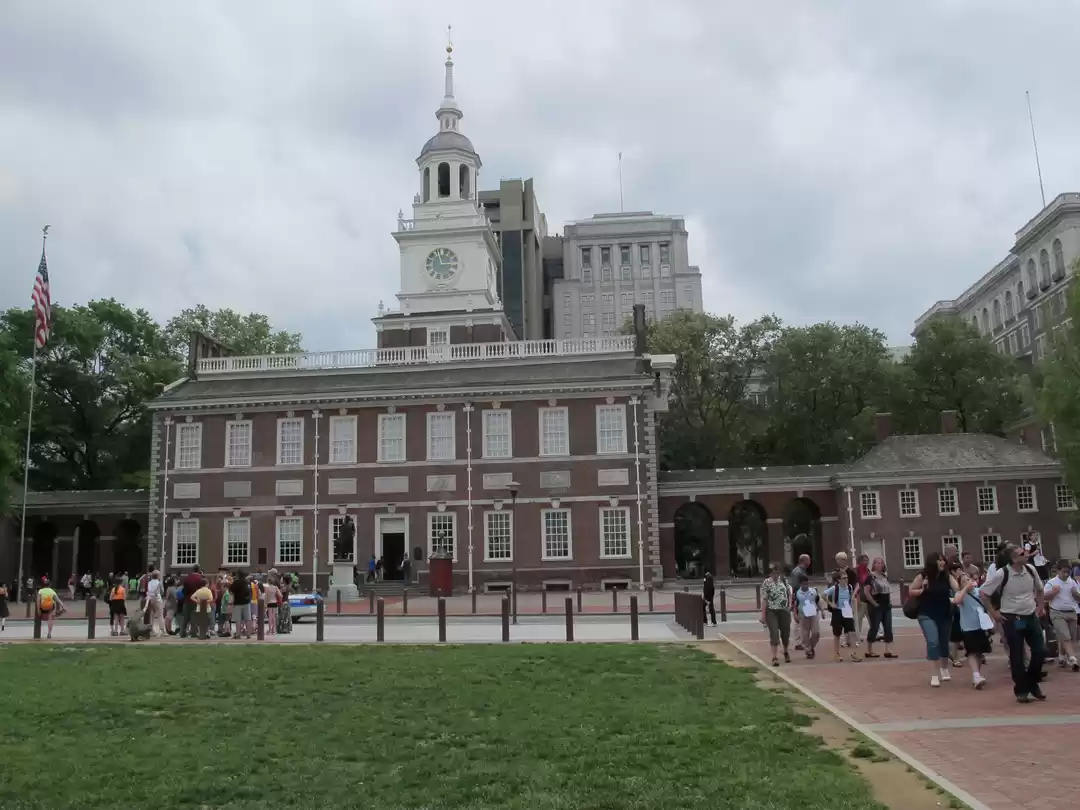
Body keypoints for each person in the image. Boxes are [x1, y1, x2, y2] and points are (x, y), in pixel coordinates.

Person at [979, 545, 1046, 703]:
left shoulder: (1030, 569)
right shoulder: (1003, 573)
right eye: (1022, 553)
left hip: (1030, 615)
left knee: (1040, 651)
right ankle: (1021, 690)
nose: (1026, 554)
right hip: (1012, 617)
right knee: (1017, 654)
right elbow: (983, 592)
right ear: (1014, 559)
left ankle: (1031, 682)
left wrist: (1041, 606)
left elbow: (1040, 589)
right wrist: (994, 613)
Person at [908, 551, 959, 688]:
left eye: (943, 560)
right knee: (932, 641)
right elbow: (911, 590)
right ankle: (935, 674)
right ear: (932, 562)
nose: (943, 563)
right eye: (939, 560)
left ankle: (944, 668)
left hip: (944, 614)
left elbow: (957, 589)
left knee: (944, 643)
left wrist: (964, 585)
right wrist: (922, 590)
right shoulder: (923, 576)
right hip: (926, 613)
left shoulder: (947, 576)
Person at [952, 571, 992, 689]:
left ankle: (977, 676)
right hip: (968, 628)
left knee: (979, 652)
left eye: (967, 579)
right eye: (963, 581)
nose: (966, 582)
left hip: (981, 626)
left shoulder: (979, 592)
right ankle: (976, 675)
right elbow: (957, 601)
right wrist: (964, 589)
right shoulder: (960, 594)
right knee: (972, 651)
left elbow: (987, 604)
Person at [1043, 559, 1079, 672]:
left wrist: (1075, 594)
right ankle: (1073, 659)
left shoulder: (1072, 582)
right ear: (1058, 571)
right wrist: (1053, 592)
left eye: (1068, 572)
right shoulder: (1052, 583)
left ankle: (1062, 657)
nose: (1066, 574)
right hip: (1057, 612)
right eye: (1064, 571)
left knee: (1069, 637)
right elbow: (1044, 597)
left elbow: (1078, 598)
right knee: (1066, 636)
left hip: (1072, 611)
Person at [759, 563, 793, 666]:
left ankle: (786, 651)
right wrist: (763, 615)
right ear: (770, 573)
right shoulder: (766, 583)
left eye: (778, 572)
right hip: (772, 611)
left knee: (785, 633)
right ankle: (774, 657)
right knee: (774, 633)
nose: (776, 574)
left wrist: (790, 605)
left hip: (784, 610)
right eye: (774, 572)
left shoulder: (783, 580)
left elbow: (789, 592)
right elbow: (764, 599)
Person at [824, 569, 861, 662]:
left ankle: (853, 653)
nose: (846, 579)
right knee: (837, 634)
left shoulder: (849, 587)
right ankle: (837, 654)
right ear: (838, 580)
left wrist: (851, 607)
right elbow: (823, 595)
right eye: (844, 578)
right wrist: (831, 604)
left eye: (847, 578)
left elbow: (851, 598)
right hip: (838, 612)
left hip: (847, 612)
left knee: (852, 633)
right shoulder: (835, 588)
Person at [862, 557, 896, 659]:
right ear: (874, 565)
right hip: (876, 604)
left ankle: (888, 650)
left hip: (886, 605)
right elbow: (866, 592)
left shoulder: (884, 576)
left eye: (881, 563)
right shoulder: (871, 577)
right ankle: (869, 650)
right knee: (875, 627)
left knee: (888, 627)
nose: (880, 565)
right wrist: (874, 603)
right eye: (877, 563)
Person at [793, 574, 821, 659]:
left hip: (813, 614)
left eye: (806, 583)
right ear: (800, 584)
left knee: (816, 633)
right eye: (803, 584)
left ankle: (811, 646)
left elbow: (818, 601)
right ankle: (808, 650)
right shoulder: (797, 593)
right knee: (805, 634)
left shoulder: (813, 591)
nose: (805, 585)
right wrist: (795, 615)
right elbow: (794, 605)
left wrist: (822, 611)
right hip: (803, 615)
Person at [789, 554, 810, 650]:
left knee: (802, 620)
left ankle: (801, 640)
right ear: (804, 561)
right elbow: (795, 588)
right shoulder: (798, 572)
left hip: (802, 597)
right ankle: (798, 642)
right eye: (808, 560)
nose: (810, 562)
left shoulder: (800, 571)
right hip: (799, 598)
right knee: (798, 620)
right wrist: (794, 602)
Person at [230, 570, 252, 639]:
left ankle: (238, 634)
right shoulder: (247, 582)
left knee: (238, 619)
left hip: (238, 603)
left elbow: (231, 590)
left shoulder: (236, 582)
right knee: (248, 619)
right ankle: (248, 634)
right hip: (246, 602)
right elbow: (250, 591)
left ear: (238, 575)